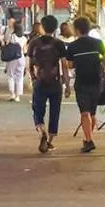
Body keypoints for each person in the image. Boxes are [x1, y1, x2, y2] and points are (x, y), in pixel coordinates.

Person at [64, 17, 105, 153]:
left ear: (76, 30)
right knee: (92, 113)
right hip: (96, 81)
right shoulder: (98, 43)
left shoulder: (72, 46)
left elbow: (70, 64)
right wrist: (100, 64)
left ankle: (89, 140)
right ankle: (88, 138)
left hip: (82, 81)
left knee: (85, 113)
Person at [27, 15, 68, 153]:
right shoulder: (59, 44)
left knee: (38, 110)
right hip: (55, 82)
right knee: (55, 111)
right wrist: (67, 85)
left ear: (42, 27)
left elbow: (29, 65)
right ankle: (49, 141)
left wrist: (32, 78)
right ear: (56, 28)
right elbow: (65, 66)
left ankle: (41, 131)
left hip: (39, 81)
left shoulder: (33, 43)